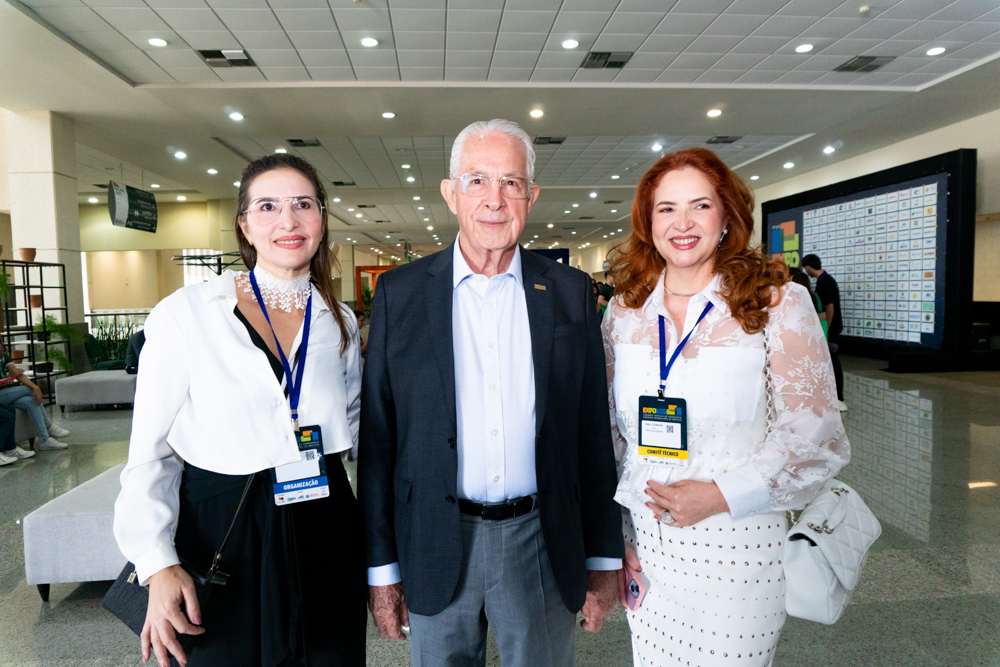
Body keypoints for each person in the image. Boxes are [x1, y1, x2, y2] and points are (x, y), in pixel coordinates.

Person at [359, 118, 624, 667]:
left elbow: (590, 432)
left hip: (542, 539)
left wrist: (602, 558)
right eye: (476, 180)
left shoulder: (571, 292)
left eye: (511, 182)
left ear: (532, 195)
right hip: (434, 537)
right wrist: (382, 572)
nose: (494, 200)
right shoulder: (400, 293)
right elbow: (380, 442)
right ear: (450, 193)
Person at [114, 153, 366, 667]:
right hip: (223, 527)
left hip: (323, 519)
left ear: (321, 218)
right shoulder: (188, 314)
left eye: (303, 204)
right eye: (268, 205)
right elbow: (149, 452)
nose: (288, 221)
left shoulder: (337, 319)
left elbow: (354, 423)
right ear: (245, 225)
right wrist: (157, 563)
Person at [603, 148, 850, 667]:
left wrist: (718, 495)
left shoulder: (774, 303)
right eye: (666, 208)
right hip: (648, 548)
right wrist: (618, 537)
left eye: (700, 206)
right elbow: (612, 435)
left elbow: (815, 435)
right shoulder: (625, 314)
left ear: (727, 217)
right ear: (648, 222)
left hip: (738, 545)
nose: (683, 223)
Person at [0, 344, 70, 450]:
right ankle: (49, 426)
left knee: (31, 401)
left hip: (7, 392)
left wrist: (36, 387)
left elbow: (16, 373)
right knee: (29, 389)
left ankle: (44, 440)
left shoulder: (3, 354)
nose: (1, 346)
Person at [802, 254, 846, 411]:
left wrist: (825, 330)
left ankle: (839, 397)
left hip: (831, 328)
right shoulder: (826, 280)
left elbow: (830, 309)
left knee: (833, 361)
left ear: (808, 267)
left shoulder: (824, 283)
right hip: (832, 327)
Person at [789, 266, 827, 339]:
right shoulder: (815, 297)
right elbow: (823, 316)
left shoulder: (794, 299)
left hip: (800, 336)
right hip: (815, 335)